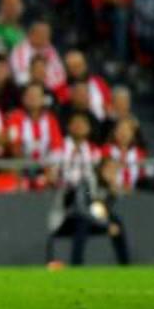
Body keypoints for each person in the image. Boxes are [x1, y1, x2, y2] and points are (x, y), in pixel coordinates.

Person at [46, 113, 131, 267]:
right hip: (69, 211)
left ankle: (125, 265)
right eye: (75, 122)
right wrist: (105, 224)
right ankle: (76, 264)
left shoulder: (95, 154)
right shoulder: (61, 150)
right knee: (82, 221)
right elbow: (81, 207)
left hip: (91, 207)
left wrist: (111, 186)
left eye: (83, 123)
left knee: (117, 221)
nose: (79, 126)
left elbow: (103, 195)